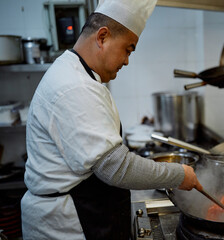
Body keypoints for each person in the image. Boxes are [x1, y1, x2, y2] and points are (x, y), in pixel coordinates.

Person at [20, 0, 202, 239]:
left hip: (81, 213)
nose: (127, 60)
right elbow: (114, 167)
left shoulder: (74, 74)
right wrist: (180, 174)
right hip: (67, 225)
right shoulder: (75, 86)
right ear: (102, 37)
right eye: (128, 49)